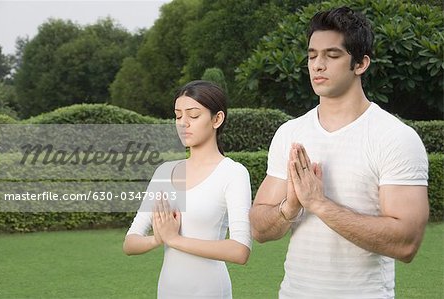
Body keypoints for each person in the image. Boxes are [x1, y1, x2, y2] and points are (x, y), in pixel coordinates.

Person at [250, 6, 429, 299]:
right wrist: (290, 208)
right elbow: (259, 228)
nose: (317, 65)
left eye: (332, 56)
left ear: (360, 64)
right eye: (311, 56)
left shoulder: (395, 138)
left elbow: (406, 244)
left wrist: (319, 204)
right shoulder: (290, 133)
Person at [123, 80, 252, 299]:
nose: (183, 123)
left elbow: (240, 250)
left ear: (217, 119)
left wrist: (174, 240)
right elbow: (130, 242)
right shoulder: (164, 172)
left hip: (210, 291)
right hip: (167, 290)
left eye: (193, 115)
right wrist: (157, 239)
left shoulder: (232, 173)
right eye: (178, 115)